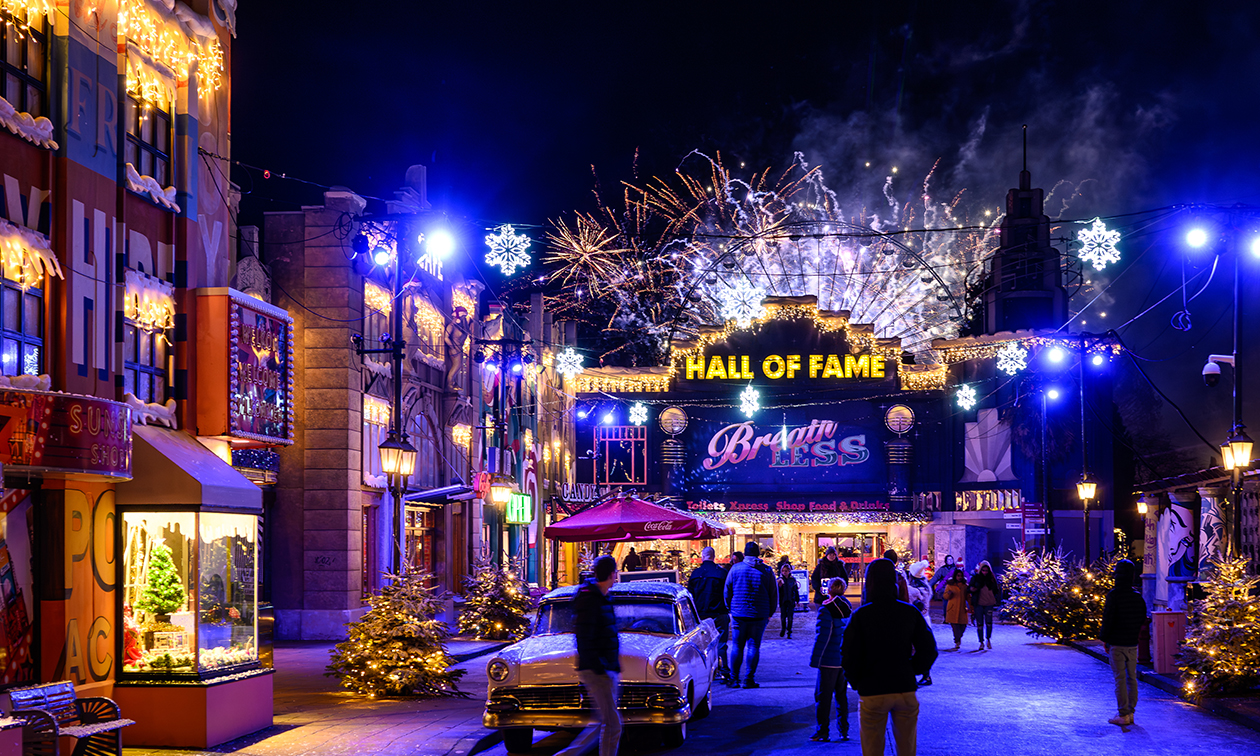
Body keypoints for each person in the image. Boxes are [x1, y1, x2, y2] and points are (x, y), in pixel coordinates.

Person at [842, 559, 937, 756]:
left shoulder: (861, 615)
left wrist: (857, 680)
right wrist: (912, 669)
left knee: (872, 749)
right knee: (907, 748)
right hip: (903, 686)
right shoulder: (909, 612)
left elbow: (848, 653)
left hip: (872, 688)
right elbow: (929, 648)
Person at [567, 555, 621, 756]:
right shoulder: (591, 599)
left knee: (603, 722)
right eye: (615, 572)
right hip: (597, 671)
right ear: (611, 574)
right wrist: (601, 667)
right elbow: (585, 638)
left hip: (604, 668)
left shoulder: (601, 596)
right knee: (612, 724)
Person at [723, 541, 778, 688]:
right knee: (754, 647)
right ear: (758, 554)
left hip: (739, 614)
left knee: (737, 646)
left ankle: (734, 679)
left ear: (745, 553)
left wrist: (731, 608)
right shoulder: (767, 570)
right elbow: (774, 594)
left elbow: (727, 591)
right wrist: (770, 613)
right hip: (760, 614)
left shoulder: (735, 569)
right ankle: (749, 679)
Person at [1101, 558, 1148, 726]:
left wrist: (1105, 638)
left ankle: (1122, 713)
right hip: (1132, 643)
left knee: (1119, 678)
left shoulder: (1114, 595)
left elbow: (1108, 619)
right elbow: (1142, 618)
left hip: (1117, 643)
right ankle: (1131, 712)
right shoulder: (1137, 597)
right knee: (1132, 678)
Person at [809, 577, 853, 742]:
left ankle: (822, 731)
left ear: (829, 590)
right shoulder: (847, 607)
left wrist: (816, 659)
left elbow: (823, 636)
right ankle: (844, 731)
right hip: (842, 660)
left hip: (828, 660)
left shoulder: (825, 609)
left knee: (823, 697)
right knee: (841, 696)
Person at [688, 547, 732, 683]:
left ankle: (704, 671)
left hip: (701, 614)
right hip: (719, 612)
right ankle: (724, 670)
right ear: (713, 556)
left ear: (702, 556)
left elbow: (690, 597)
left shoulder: (695, 574)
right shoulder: (722, 573)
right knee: (721, 642)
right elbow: (728, 593)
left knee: (702, 644)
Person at [906, 560, 934, 686]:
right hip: (926, 620)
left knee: (912, 648)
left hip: (915, 620)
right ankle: (926, 675)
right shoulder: (926, 589)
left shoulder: (912, 590)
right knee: (923, 647)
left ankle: (914, 674)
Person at [969, 560, 1000, 650]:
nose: (985, 572)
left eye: (986, 570)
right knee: (979, 624)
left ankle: (988, 639)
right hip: (978, 603)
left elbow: (996, 590)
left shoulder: (992, 579)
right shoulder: (976, 578)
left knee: (989, 623)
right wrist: (972, 589)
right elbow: (969, 588)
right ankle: (981, 641)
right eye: (983, 570)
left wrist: (994, 598)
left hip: (989, 603)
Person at [942, 568, 971, 651]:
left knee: (963, 626)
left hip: (962, 608)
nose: (960, 577)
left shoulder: (965, 586)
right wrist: (948, 594)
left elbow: (968, 597)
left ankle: (958, 638)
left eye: (961, 576)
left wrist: (971, 607)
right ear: (955, 576)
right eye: (958, 576)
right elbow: (945, 596)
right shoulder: (950, 585)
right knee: (955, 627)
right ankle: (957, 641)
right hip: (952, 608)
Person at [777, 562, 801, 638]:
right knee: (783, 617)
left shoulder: (792, 580)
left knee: (790, 617)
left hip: (791, 600)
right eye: (783, 571)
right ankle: (783, 628)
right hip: (783, 600)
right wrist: (779, 586)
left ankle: (789, 631)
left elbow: (795, 590)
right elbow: (777, 591)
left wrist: (797, 600)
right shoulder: (779, 580)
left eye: (786, 571)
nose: (785, 572)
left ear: (789, 571)